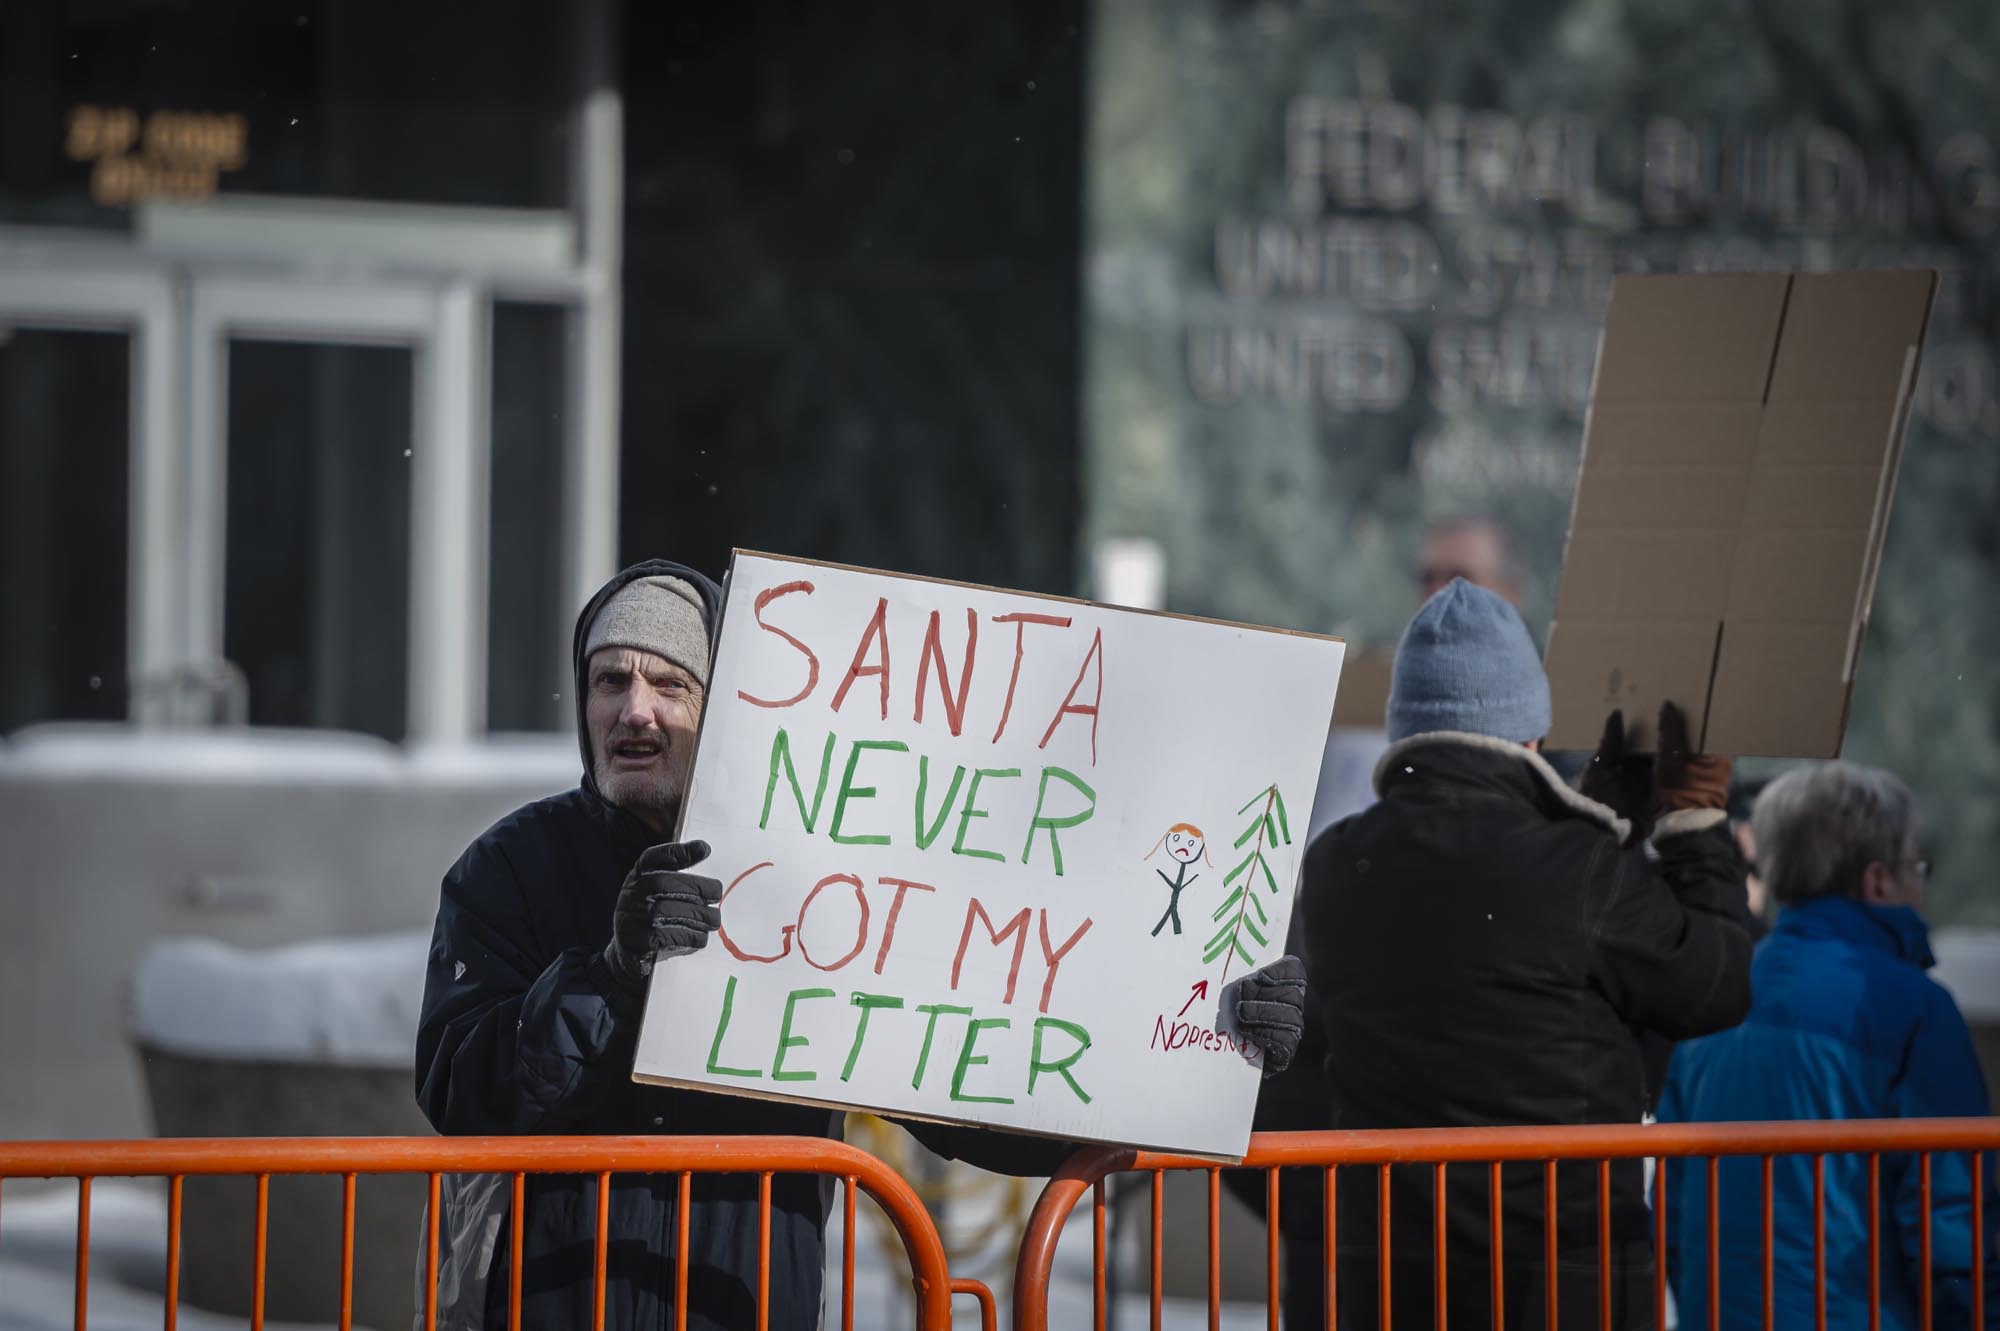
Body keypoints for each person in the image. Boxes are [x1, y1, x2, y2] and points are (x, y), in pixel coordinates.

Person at [414, 559, 1309, 1331]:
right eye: (610, 681)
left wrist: (1215, 1048)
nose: (635, 711)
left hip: (746, 1302)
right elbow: (461, 1088)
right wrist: (610, 979)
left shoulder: (812, 860)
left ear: (720, 706)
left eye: (670, 684)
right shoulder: (507, 868)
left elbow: (973, 1086)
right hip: (558, 1305)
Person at [1296, 578, 1753, 1330]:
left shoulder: (1338, 864)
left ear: (1403, 729)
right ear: (1531, 735)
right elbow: (1713, 982)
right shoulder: (1578, 871)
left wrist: (1589, 815)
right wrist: (1692, 821)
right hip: (1562, 1279)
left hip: (1388, 1280)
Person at [1657, 763, 2000, 1331]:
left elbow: (1673, 1207)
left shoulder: (1716, 992)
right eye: (1917, 866)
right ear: (1878, 881)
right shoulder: (1914, 1008)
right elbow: (1950, 1216)